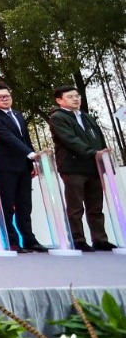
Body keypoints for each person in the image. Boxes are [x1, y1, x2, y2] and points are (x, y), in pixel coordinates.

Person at [47, 85, 115, 252]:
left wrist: (104, 159)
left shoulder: (86, 116)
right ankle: (78, 240)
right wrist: (93, 153)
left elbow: (99, 138)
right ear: (59, 100)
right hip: (73, 168)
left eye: (77, 96)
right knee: (75, 208)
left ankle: (100, 239)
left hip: (93, 167)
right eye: (70, 97)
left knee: (96, 207)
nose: (75, 99)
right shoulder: (57, 117)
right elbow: (70, 139)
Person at [0, 83, 48, 253]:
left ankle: (29, 239)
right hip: (6, 167)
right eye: (0, 97)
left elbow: (25, 139)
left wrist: (33, 161)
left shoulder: (18, 115)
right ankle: (11, 241)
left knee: (24, 205)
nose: (5, 99)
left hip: (23, 166)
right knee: (7, 206)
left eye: (7, 96)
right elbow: (8, 138)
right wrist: (29, 153)